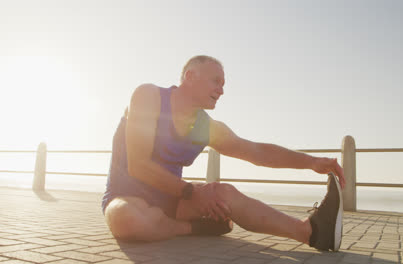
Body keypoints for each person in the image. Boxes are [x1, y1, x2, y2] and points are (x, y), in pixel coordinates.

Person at [102, 55, 346, 251]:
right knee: (128, 219)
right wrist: (192, 191)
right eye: (215, 81)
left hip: (172, 200)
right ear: (190, 76)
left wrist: (312, 162)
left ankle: (312, 232)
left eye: (223, 84)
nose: (221, 90)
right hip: (127, 196)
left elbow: (257, 151)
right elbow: (139, 165)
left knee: (224, 193)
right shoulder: (149, 96)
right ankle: (195, 228)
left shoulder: (207, 127)